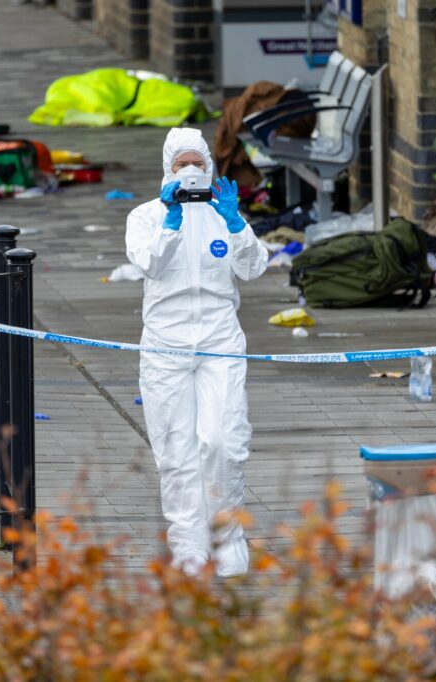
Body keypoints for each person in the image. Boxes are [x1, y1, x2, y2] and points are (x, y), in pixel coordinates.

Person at [126, 127, 268, 577]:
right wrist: (170, 222)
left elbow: (254, 268)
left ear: (209, 166)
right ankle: (188, 542)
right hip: (165, 345)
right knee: (176, 448)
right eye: (180, 164)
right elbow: (148, 263)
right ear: (166, 170)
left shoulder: (223, 214)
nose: (190, 172)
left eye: (197, 163)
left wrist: (236, 223)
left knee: (224, 441)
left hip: (219, 340)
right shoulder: (146, 216)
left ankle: (227, 536)